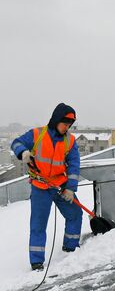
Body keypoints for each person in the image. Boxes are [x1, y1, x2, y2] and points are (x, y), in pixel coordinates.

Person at [11, 103, 82, 271]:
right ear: (56, 120)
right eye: (65, 124)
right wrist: (23, 153)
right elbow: (16, 143)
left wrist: (71, 188)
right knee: (38, 225)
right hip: (40, 187)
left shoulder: (70, 141)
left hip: (60, 186)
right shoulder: (37, 134)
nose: (67, 128)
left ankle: (70, 249)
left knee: (75, 214)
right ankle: (36, 262)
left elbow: (74, 164)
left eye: (69, 125)